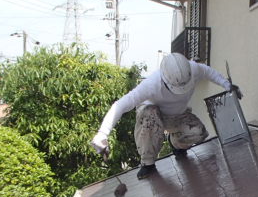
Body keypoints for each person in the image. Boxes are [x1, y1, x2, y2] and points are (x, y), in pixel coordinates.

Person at [91, 53, 241, 179]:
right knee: (150, 113)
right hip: (153, 117)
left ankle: (176, 143)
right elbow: (120, 105)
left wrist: (227, 85)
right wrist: (102, 134)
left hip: (178, 116)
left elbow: (209, 72)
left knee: (198, 133)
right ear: (165, 79)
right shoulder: (152, 84)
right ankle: (148, 163)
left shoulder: (193, 68)